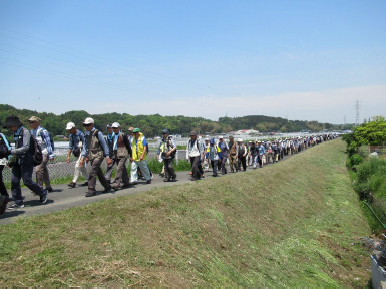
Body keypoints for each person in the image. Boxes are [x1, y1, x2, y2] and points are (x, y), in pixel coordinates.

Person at [3, 116, 48, 209]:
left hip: (27, 160)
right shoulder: (16, 133)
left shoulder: (25, 132)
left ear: (15, 125)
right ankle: (18, 202)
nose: (9, 128)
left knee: (27, 181)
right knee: (14, 181)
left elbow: (26, 147)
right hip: (18, 160)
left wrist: (12, 151)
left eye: (10, 126)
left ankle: (43, 192)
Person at [79, 117, 112, 197]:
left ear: (92, 124)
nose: (86, 127)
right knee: (98, 172)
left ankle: (91, 190)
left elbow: (104, 145)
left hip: (98, 155)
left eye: (88, 125)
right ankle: (107, 186)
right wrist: (83, 157)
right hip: (91, 156)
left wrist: (107, 157)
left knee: (92, 172)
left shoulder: (98, 133)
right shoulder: (85, 134)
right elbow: (85, 147)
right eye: (85, 125)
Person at [28, 116, 54, 192]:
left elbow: (48, 143)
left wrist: (51, 154)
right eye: (29, 122)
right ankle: (48, 186)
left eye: (32, 122)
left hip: (44, 153)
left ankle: (39, 188)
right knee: (43, 169)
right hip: (37, 154)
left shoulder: (43, 132)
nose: (30, 124)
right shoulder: (31, 132)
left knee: (38, 169)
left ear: (37, 123)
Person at [66, 122, 89, 188]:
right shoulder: (71, 135)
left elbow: (85, 145)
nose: (69, 131)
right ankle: (88, 180)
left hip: (82, 151)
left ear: (74, 128)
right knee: (82, 167)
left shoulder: (81, 134)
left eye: (70, 129)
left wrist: (86, 155)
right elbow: (70, 147)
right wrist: (68, 156)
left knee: (77, 165)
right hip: (77, 152)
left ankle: (74, 182)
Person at [110, 122, 132, 190]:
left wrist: (131, 155)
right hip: (116, 154)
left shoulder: (123, 135)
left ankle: (116, 184)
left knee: (119, 168)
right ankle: (126, 182)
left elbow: (128, 146)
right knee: (122, 169)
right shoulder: (113, 136)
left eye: (115, 128)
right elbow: (112, 146)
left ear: (119, 128)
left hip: (123, 154)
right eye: (113, 128)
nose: (114, 129)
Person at [0, 131, 12, 214]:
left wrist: (10, 160)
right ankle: (4, 197)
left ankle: (4, 197)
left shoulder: (1, 135)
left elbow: (7, 148)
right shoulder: (1, 135)